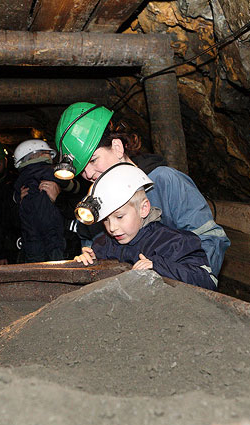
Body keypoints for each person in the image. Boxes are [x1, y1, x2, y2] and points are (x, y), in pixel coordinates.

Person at [55, 102, 230, 289]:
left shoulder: (164, 181)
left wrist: (189, 284)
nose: (88, 174)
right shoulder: (95, 197)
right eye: (82, 169)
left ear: (117, 147)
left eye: (93, 160)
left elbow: (209, 239)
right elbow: (98, 248)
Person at [74, 163, 217, 290]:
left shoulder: (174, 242)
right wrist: (89, 263)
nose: (112, 227)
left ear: (143, 208)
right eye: (105, 220)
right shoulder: (103, 245)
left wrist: (158, 267)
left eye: (119, 217)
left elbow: (207, 280)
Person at [12, 139, 81, 262]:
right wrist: (72, 186)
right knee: (57, 262)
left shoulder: (20, 180)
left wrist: (17, 199)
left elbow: (15, 197)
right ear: (39, 154)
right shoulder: (51, 172)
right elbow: (73, 186)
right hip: (53, 233)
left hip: (30, 237)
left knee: (35, 265)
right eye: (47, 153)